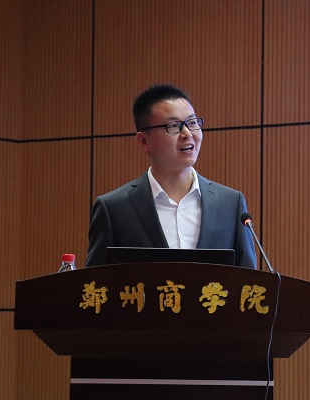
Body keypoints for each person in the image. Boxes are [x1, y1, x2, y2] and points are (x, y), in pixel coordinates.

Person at [85, 84, 257, 269]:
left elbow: (248, 279)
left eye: (192, 123)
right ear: (144, 140)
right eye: (173, 126)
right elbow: (94, 283)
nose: (187, 133)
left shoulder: (230, 204)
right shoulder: (114, 209)